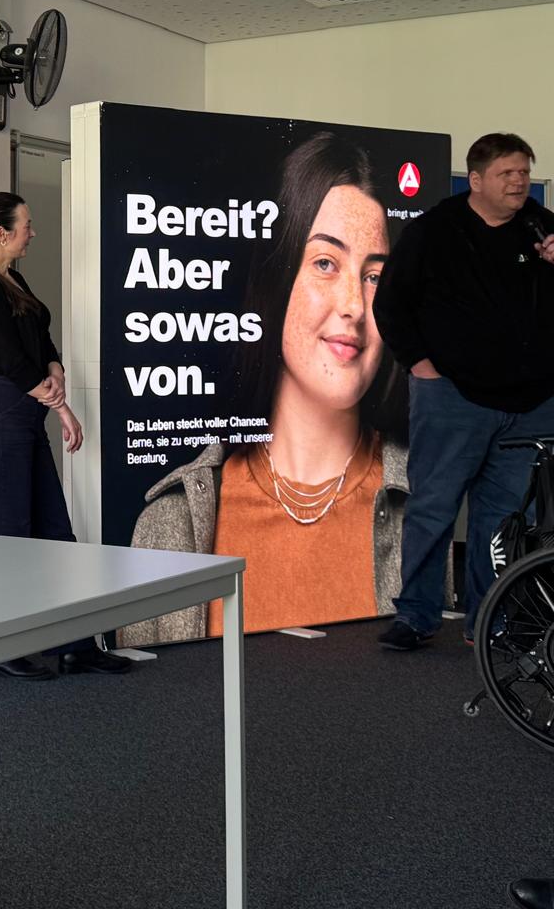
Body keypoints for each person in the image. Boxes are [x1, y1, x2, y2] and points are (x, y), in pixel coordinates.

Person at [123, 132, 411, 644]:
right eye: (325, 263)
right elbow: (149, 713)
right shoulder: (172, 524)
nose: (352, 305)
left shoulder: (425, 505)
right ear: (275, 279)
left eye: (373, 276)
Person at [370, 132, 554, 651]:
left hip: (533, 405)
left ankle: (490, 620)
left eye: (524, 171)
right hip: (452, 396)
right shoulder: (435, 232)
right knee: (434, 505)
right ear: (476, 180)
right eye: (507, 173)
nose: (519, 182)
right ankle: (418, 616)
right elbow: (392, 305)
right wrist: (422, 366)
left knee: (507, 520)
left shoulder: (542, 229)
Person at [0, 191, 131, 677]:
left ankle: (74, 644)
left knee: (55, 533)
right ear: (3, 234)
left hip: (24, 413)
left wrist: (55, 366)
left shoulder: (13, 280)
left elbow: (38, 342)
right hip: (0, 413)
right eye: (27, 225)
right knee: (8, 538)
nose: (34, 232)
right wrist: (63, 408)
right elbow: (11, 361)